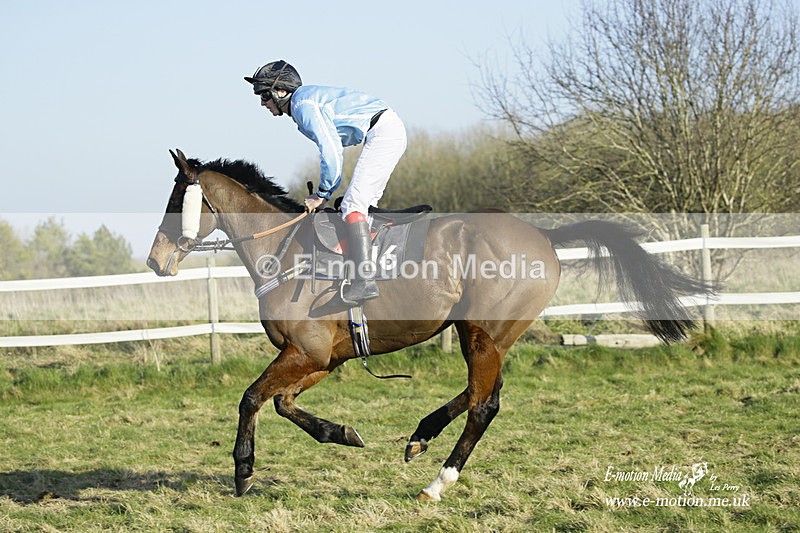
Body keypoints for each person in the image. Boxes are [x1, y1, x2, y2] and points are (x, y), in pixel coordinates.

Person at [245, 60, 407, 305]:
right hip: (385, 130)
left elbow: (331, 152)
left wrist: (322, 193)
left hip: (383, 132)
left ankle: (364, 281)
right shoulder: (303, 103)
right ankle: (369, 267)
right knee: (357, 207)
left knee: (353, 205)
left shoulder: (302, 105)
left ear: (280, 91)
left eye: (264, 95)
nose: (262, 103)